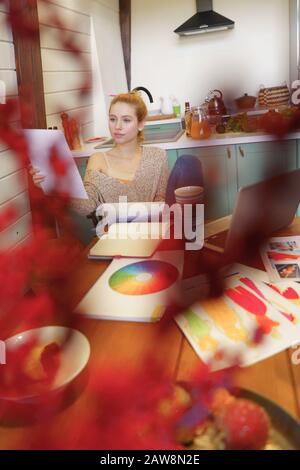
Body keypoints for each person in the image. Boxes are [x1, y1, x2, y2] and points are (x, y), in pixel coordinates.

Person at [30, 92, 204, 216]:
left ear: (141, 124)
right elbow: (88, 206)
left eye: (126, 120)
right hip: (118, 233)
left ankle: (191, 239)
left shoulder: (157, 156)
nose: (117, 126)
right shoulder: (98, 160)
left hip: (156, 227)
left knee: (188, 163)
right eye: (113, 119)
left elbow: (161, 202)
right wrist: (52, 185)